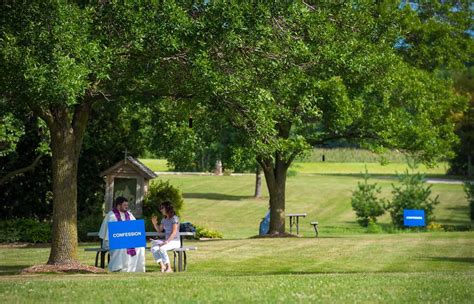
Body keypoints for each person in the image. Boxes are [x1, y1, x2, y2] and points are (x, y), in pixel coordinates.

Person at [98, 196, 146, 272]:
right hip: (112, 241)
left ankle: (135, 269)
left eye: (127, 205)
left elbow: (135, 228)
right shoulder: (111, 216)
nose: (127, 207)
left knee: (140, 247)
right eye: (124, 205)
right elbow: (110, 233)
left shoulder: (129, 215)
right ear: (118, 205)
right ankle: (118, 268)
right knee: (122, 247)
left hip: (128, 240)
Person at [150, 201, 180, 273]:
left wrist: (166, 242)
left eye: (162, 208)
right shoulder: (164, 219)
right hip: (167, 241)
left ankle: (169, 268)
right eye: (160, 208)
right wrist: (154, 224)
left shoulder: (174, 218)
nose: (161, 210)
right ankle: (162, 266)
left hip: (174, 241)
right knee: (154, 248)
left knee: (162, 248)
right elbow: (160, 230)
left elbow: (174, 232)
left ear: (167, 208)